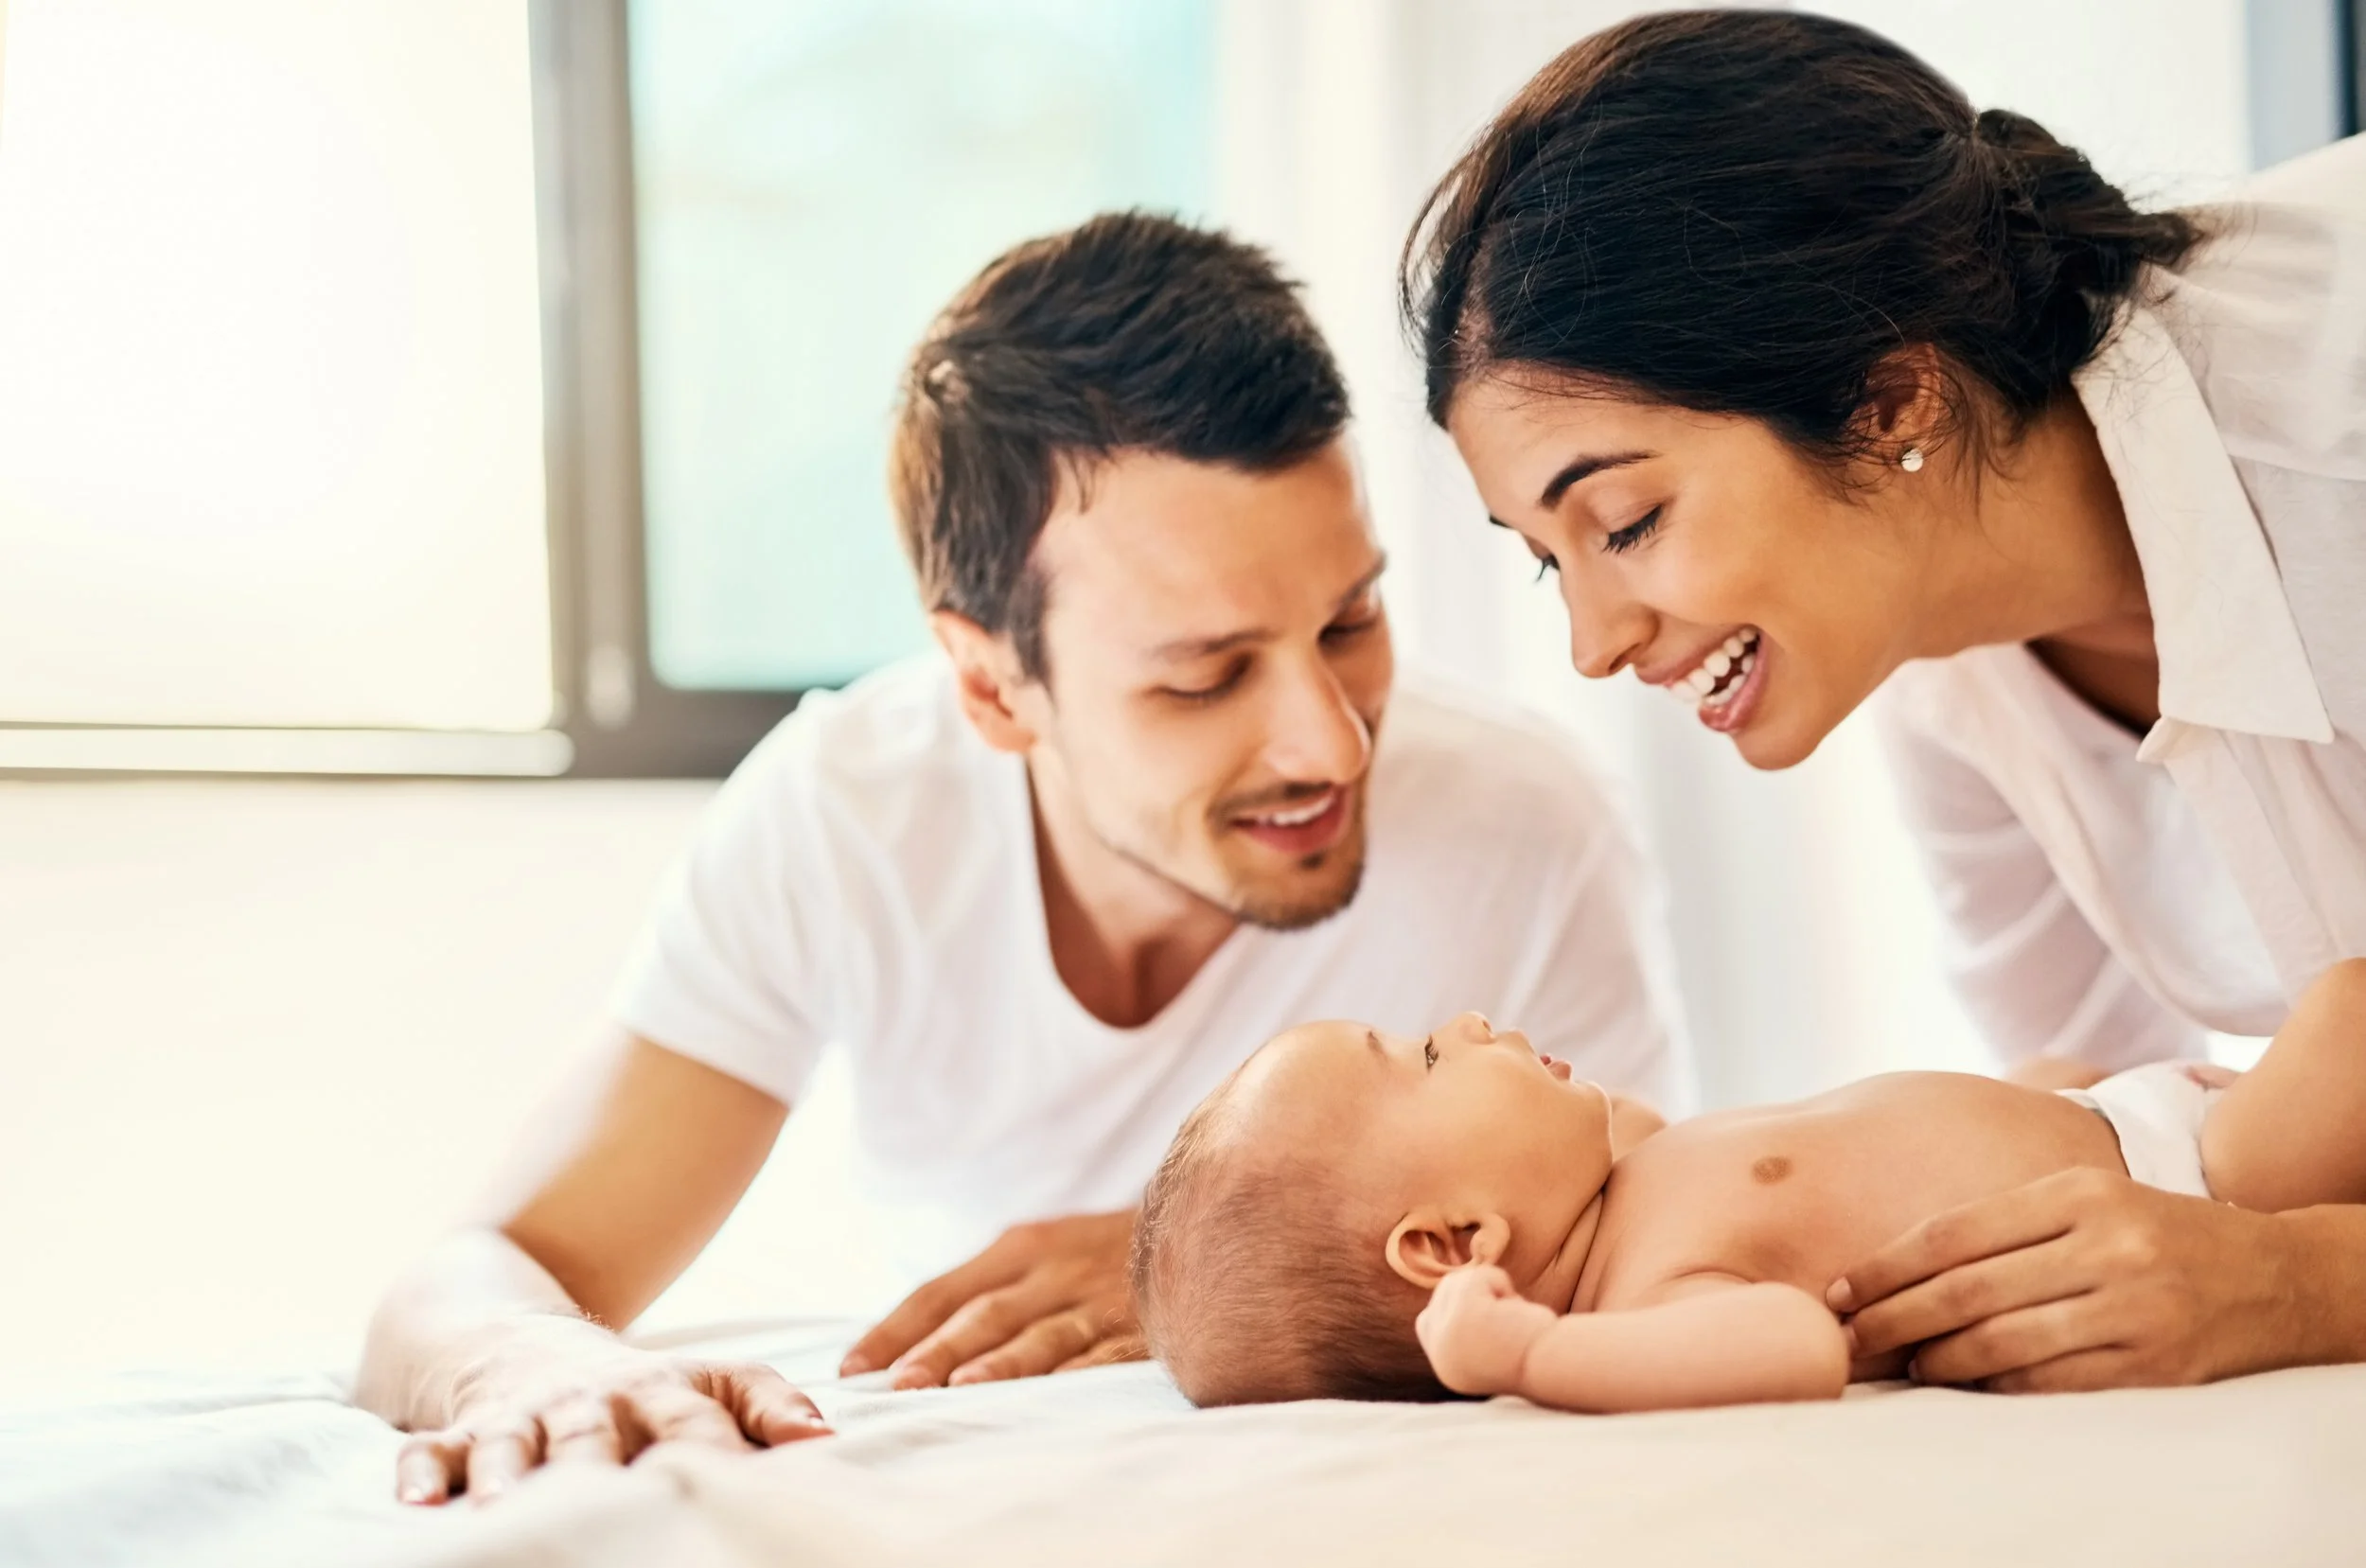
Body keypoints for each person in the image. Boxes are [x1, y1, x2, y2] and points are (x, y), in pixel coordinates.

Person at [356, 213, 1686, 1503]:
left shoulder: (1526, 823)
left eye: (1350, 621)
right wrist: (533, 1361)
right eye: (1204, 676)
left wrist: (1198, 1275)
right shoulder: (850, 820)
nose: (1332, 746)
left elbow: (1659, 1248)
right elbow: (472, 1276)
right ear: (993, 688)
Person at [1398, 9, 2366, 1393]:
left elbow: (2250, 1235)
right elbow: (2101, 1119)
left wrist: (2308, 1285)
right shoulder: (1937, 665)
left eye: (1624, 521)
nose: (1594, 646)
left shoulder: (2341, 447)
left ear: (1887, 401)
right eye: (1546, 560)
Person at [1135, 960, 2366, 1411]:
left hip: (2115, 1120)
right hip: (2191, 1192)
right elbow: (1789, 1344)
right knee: (2348, 1016)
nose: (1465, 1019)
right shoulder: (1649, 1296)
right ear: (1452, 1242)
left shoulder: (1625, 1187)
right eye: (1428, 1057)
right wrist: (1527, 1358)